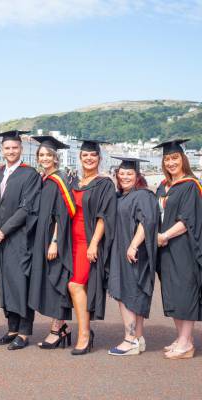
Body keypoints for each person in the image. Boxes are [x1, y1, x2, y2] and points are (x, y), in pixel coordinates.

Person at [0, 130, 41, 350]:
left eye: (14, 148)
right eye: (7, 148)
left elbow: (27, 207)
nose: (11, 151)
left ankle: (24, 332)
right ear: (2, 150)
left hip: (19, 239)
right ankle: (11, 329)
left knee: (21, 284)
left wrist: (4, 230)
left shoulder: (30, 174)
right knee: (5, 284)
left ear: (21, 149)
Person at [154, 139, 202, 360]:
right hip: (165, 248)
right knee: (172, 292)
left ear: (183, 159)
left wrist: (164, 235)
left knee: (185, 292)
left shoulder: (190, 185)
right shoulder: (163, 186)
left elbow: (188, 220)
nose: (171, 162)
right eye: (167, 159)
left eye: (175, 158)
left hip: (183, 247)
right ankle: (184, 338)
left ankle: (185, 344)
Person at [107, 157, 159, 356]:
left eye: (129, 173)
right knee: (133, 293)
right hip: (125, 250)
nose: (125, 176)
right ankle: (138, 338)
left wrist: (134, 245)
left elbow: (146, 221)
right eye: (122, 173)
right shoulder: (123, 196)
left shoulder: (142, 195)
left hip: (133, 251)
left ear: (137, 176)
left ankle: (129, 340)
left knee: (126, 293)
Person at [69, 139, 116, 355]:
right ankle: (81, 330)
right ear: (80, 157)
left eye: (93, 155)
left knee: (75, 285)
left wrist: (94, 243)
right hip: (71, 241)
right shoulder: (75, 181)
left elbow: (104, 216)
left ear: (99, 158)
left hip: (88, 242)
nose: (89, 158)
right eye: (85, 155)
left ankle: (84, 335)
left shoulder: (104, 183)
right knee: (80, 286)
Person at [28, 136, 75, 349]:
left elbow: (65, 213)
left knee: (57, 281)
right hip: (43, 239)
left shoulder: (59, 180)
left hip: (55, 240)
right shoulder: (45, 179)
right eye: (41, 155)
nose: (45, 158)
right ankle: (60, 328)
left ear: (55, 158)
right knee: (49, 281)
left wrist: (55, 241)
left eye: (49, 155)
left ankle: (57, 329)